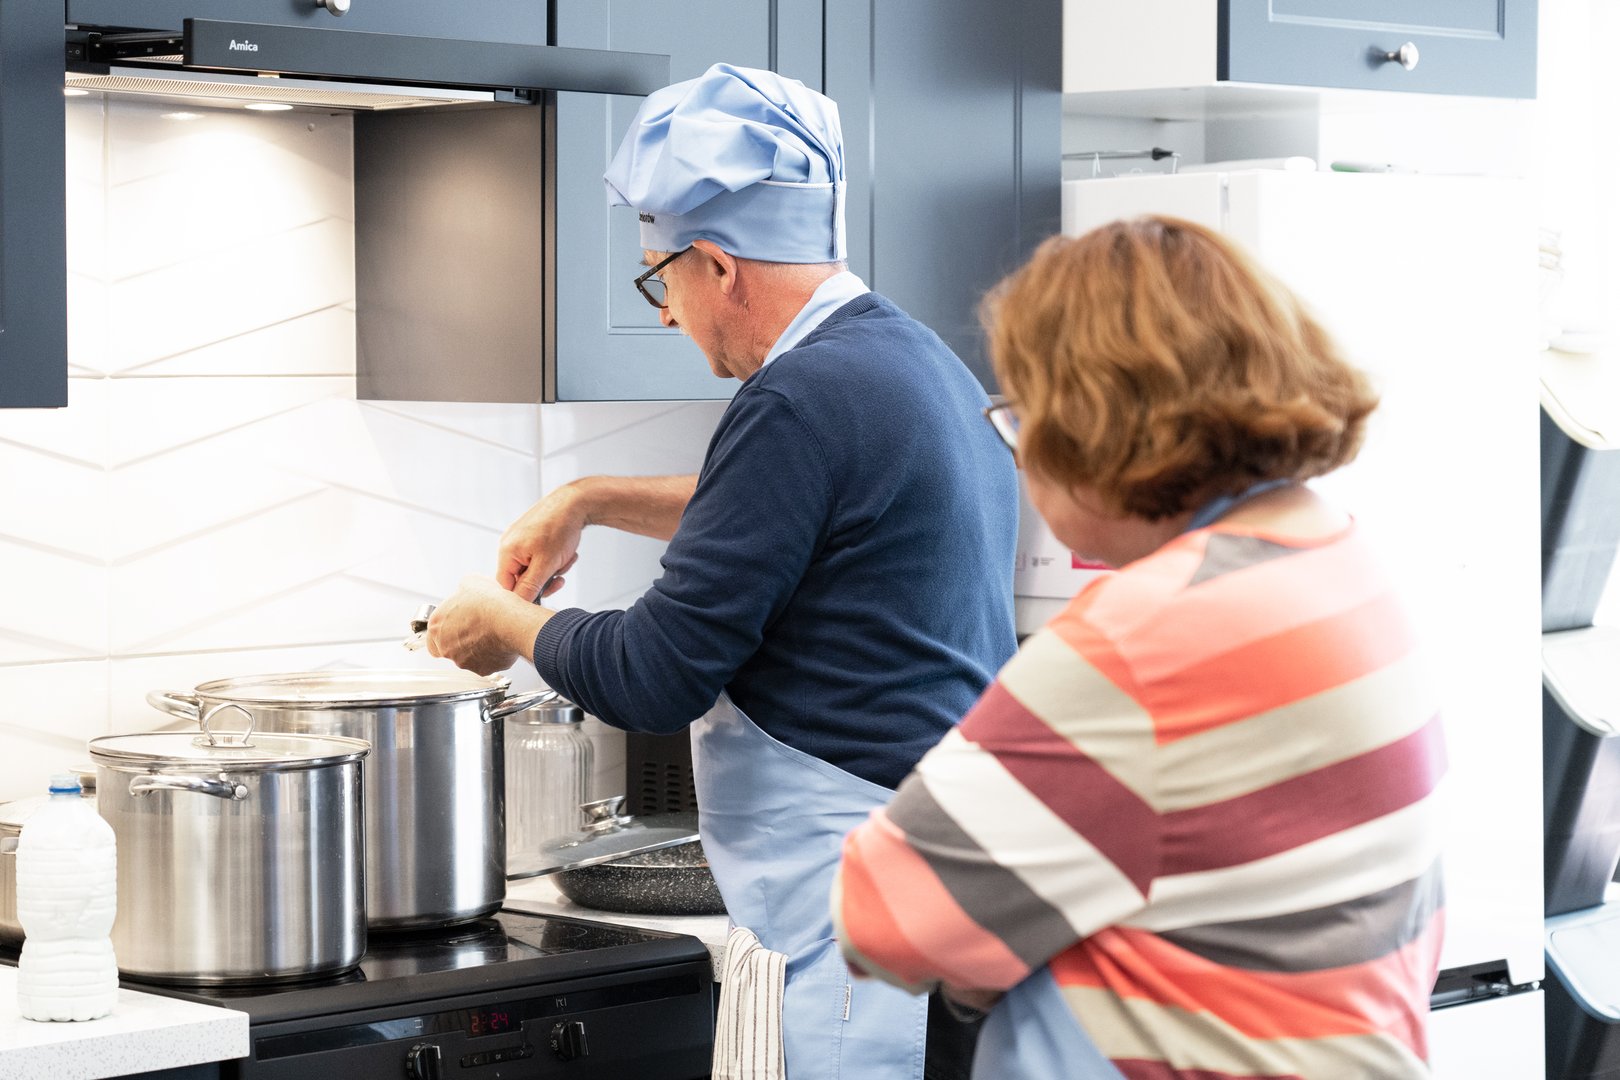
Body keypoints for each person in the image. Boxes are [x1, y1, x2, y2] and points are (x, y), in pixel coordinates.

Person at [426, 63, 1018, 1080]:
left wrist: (500, 621)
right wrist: (592, 497)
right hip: (939, 896)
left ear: (720, 267)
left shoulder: (795, 399)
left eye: (662, 277)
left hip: (852, 927)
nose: (665, 312)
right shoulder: (906, 360)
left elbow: (657, 674)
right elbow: (796, 516)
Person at [831, 215, 1447, 1079]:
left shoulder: (1148, 638)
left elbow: (885, 918)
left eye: (1021, 415)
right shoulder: (1341, 560)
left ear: (1088, 420)